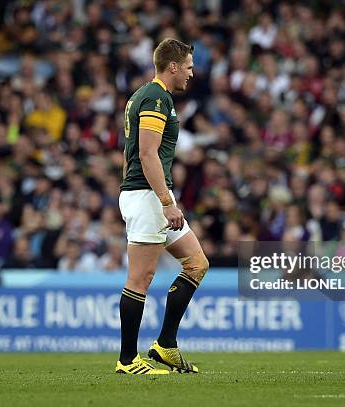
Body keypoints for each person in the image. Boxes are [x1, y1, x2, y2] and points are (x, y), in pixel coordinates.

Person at [116, 38, 207, 375]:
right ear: (172, 66)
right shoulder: (155, 97)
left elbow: (131, 155)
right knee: (141, 278)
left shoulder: (147, 96)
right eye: (188, 67)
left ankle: (165, 345)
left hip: (146, 193)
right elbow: (146, 153)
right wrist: (165, 201)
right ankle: (127, 360)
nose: (191, 73)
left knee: (196, 263)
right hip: (150, 196)